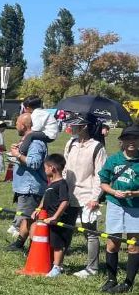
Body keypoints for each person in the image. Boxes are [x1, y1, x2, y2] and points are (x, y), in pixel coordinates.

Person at [63, 116, 108, 278]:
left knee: (90, 232)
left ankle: (92, 268)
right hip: (69, 195)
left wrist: (95, 197)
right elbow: (65, 168)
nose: (71, 126)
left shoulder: (97, 147)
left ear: (84, 127)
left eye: (75, 124)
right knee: (65, 229)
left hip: (88, 196)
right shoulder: (71, 144)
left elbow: (100, 175)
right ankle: (58, 263)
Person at [98, 124, 139, 294]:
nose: (131, 142)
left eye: (135, 138)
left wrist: (133, 193)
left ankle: (128, 283)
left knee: (133, 245)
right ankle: (111, 279)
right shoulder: (113, 160)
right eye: (128, 138)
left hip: (135, 207)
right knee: (112, 243)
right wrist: (114, 192)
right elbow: (103, 182)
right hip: (115, 205)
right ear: (121, 141)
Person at [7, 102, 48, 251]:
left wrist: (17, 155)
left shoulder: (36, 142)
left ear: (24, 125)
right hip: (24, 186)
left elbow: (35, 163)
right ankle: (19, 244)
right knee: (27, 217)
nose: (16, 126)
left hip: (31, 187)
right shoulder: (27, 140)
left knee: (32, 219)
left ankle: (35, 250)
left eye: (17, 123)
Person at [37, 154, 79, 278]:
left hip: (57, 221)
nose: (44, 170)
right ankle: (51, 263)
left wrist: (55, 217)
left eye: (45, 168)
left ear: (52, 168)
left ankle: (57, 268)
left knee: (57, 245)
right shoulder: (51, 184)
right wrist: (39, 208)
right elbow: (46, 198)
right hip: (48, 219)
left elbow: (65, 201)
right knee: (51, 243)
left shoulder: (61, 184)